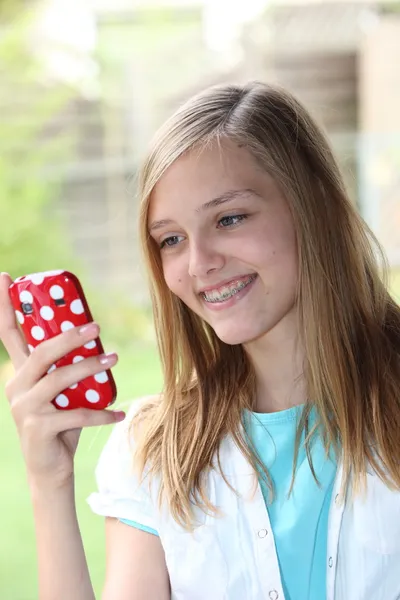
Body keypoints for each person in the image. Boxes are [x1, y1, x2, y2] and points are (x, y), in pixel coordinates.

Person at [1, 81, 400, 600]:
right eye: (171, 239)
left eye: (229, 218)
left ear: (315, 205)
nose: (199, 263)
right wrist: (49, 482)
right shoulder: (151, 453)